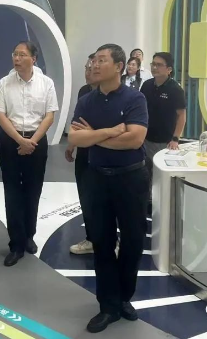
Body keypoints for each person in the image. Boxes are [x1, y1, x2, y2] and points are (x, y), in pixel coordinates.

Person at [68, 44, 150, 334]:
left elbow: (135, 139)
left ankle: (124, 297)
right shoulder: (86, 101)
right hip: (97, 179)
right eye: (94, 60)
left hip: (131, 179)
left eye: (102, 60)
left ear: (118, 66)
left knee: (133, 241)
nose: (95, 64)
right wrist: (111, 131)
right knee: (102, 243)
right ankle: (107, 305)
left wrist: (93, 137)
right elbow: (75, 138)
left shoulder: (135, 98)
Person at [0, 41, 59, 267]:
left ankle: (29, 235)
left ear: (33, 59)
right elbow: (0, 116)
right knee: (12, 192)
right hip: (11, 141)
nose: (16, 58)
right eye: (15, 54)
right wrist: (20, 141)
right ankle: (16, 244)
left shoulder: (46, 83)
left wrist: (32, 141)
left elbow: (49, 116)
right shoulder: (4, 82)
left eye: (21, 54)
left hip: (36, 140)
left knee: (33, 190)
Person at [67, 53, 97, 255]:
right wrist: (71, 145)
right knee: (86, 196)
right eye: (86, 68)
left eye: (91, 68)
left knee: (105, 201)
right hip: (84, 154)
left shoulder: (117, 96)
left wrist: (93, 133)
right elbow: (77, 124)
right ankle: (91, 238)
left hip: (105, 156)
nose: (88, 72)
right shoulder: (83, 92)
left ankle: (111, 240)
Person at [140, 52, 186, 180]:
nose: (155, 67)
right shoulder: (146, 85)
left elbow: (181, 116)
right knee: (145, 173)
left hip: (165, 141)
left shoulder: (175, 89)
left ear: (169, 69)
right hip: (145, 138)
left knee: (161, 176)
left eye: (159, 65)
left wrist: (175, 139)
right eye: (153, 64)